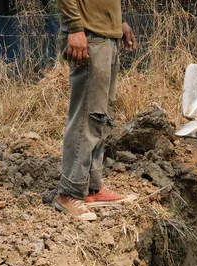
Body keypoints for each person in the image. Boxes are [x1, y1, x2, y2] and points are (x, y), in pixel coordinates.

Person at [53, 0, 138, 221]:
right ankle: (69, 193)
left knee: (101, 116)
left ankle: (91, 189)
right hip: (87, 36)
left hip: (105, 36)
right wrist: (75, 28)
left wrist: (120, 23)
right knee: (86, 117)